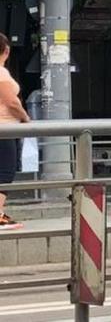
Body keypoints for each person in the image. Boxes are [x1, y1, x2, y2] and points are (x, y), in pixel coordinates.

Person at [0, 34, 29, 230]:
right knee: (5, 172)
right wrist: (25, 117)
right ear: (6, 50)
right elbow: (10, 101)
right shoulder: (1, 73)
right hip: (5, 127)